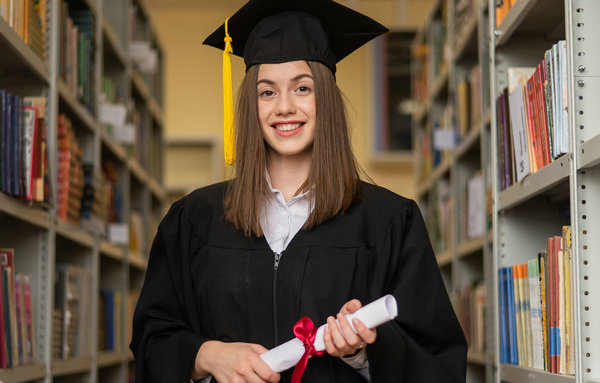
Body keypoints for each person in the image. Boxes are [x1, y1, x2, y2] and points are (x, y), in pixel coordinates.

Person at [130, 0, 467, 382]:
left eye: (302, 88)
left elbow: (439, 359)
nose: (285, 107)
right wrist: (206, 355)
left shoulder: (389, 221)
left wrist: (362, 353)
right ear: (250, 106)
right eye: (267, 92)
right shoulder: (194, 220)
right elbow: (150, 339)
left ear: (326, 98)